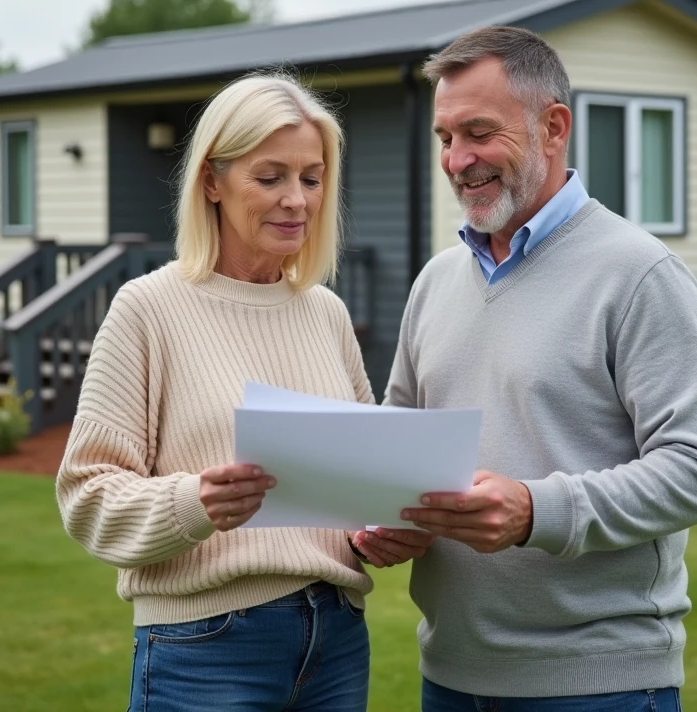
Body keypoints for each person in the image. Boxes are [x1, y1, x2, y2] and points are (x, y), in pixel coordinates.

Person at [56, 73, 432, 712]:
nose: (296, 200)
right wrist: (195, 501)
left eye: (311, 178)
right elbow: (86, 498)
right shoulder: (148, 309)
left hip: (337, 641)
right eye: (270, 177)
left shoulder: (326, 314)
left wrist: (381, 528)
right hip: (205, 648)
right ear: (212, 181)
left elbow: (359, 489)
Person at [386, 26, 697, 711]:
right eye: (446, 138)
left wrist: (534, 510)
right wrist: (384, 517)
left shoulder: (639, 273)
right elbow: (400, 443)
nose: (457, 160)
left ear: (553, 128)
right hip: (449, 677)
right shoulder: (435, 281)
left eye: (479, 133)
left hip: (598, 685)